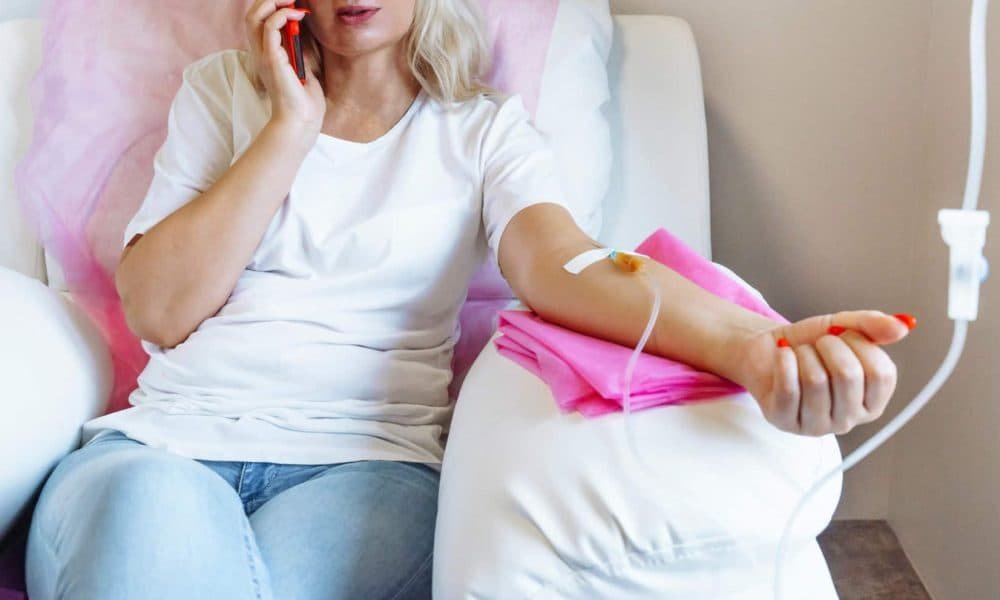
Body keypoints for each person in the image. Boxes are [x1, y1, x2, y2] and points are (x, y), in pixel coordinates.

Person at [24, 1, 913, 598]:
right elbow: (158, 310)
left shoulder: (484, 130)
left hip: (369, 469)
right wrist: (289, 128)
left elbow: (567, 264)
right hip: (165, 446)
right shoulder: (222, 95)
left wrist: (752, 345)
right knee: (147, 526)